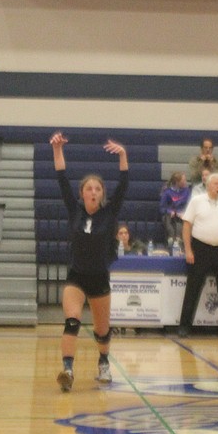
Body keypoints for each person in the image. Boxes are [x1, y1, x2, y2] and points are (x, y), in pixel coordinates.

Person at [51, 132, 128, 391]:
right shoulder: (75, 211)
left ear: (102, 194)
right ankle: (68, 370)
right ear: (82, 193)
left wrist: (123, 156)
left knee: (101, 330)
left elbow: (124, 183)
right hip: (77, 275)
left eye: (97, 189)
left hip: (99, 277)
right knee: (72, 321)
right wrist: (57, 149)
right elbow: (61, 177)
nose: (93, 192)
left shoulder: (110, 213)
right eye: (88, 188)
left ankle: (104, 360)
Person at [178, 172, 218, 338]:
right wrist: (188, 250)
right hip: (200, 249)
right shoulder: (196, 201)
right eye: (216, 184)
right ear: (208, 185)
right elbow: (186, 226)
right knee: (193, 287)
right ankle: (184, 326)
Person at [159, 171, 191, 248]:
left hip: (182, 215)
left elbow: (190, 205)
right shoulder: (167, 192)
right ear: (177, 182)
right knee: (168, 219)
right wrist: (170, 211)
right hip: (170, 216)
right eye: (183, 181)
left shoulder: (187, 191)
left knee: (180, 222)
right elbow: (162, 208)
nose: (186, 182)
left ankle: (178, 239)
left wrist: (183, 213)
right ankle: (171, 238)